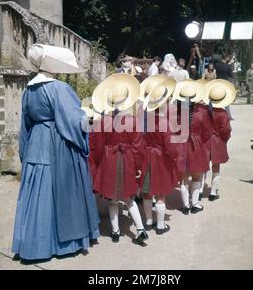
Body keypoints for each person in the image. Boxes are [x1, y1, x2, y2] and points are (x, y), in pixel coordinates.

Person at [12, 44, 100, 262]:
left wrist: (25, 150)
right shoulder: (59, 88)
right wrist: (89, 122)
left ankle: (34, 243)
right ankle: (63, 243)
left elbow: (25, 124)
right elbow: (72, 120)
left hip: (36, 143)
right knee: (62, 189)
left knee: (38, 191)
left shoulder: (29, 90)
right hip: (57, 143)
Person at [90, 74, 149, 245]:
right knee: (129, 198)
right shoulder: (132, 121)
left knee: (112, 198)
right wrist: (138, 166)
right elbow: (139, 146)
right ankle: (140, 229)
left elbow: (97, 146)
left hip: (109, 160)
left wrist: (99, 163)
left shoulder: (103, 121)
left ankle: (115, 232)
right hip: (128, 160)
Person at [139, 78, 179, 235]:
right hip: (161, 158)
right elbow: (170, 145)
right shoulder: (164, 122)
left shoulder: (144, 119)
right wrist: (174, 156)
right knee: (160, 193)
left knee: (147, 191)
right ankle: (160, 226)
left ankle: (148, 221)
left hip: (146, 156)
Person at [173, 80, 210, 214]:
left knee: (183, 179)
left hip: (181, 145)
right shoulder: (201, 113)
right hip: (196, 145)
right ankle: (195, 204)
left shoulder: (176, 114)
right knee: (196, 176)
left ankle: (185, 205)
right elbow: (206, 134)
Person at [202, 80, 235, 201]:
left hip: (205, 141)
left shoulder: (205, 111)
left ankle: (199, 190)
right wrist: (225, 139)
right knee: (216, 167)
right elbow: (226, 130)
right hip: (218, 141)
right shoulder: (223, 113)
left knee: (203, 167)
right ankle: (213, 192)